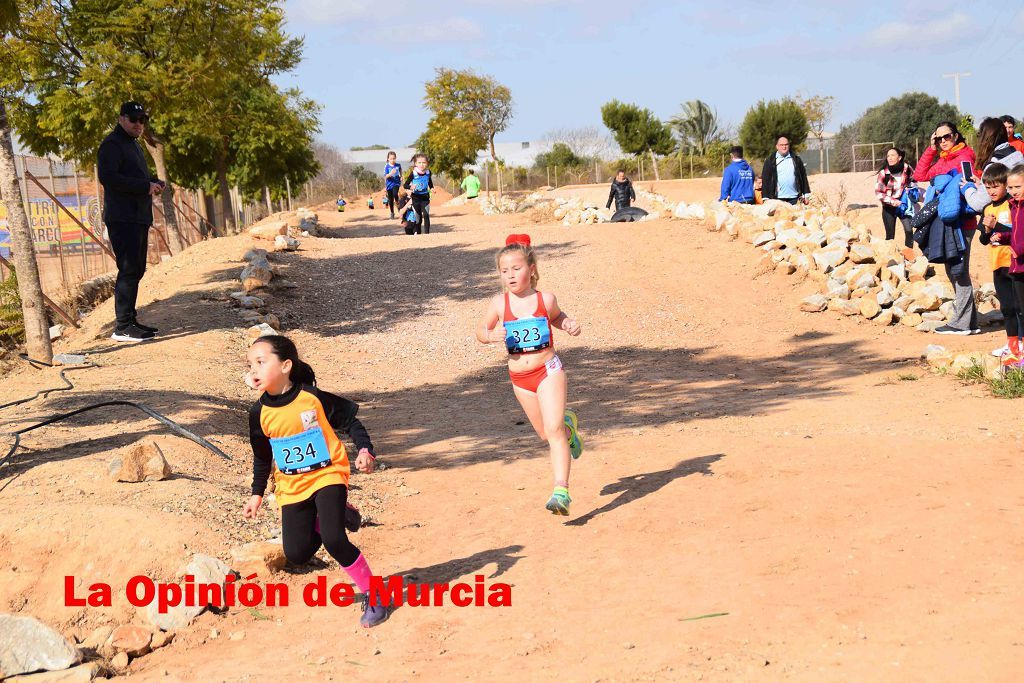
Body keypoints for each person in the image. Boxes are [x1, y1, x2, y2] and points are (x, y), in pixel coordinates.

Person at [243, 335, 389, 628]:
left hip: (327, 473)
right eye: (250, 365)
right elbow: (262, 458)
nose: (253, 370)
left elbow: (350, 422)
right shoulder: (259, 413)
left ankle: (375, 595)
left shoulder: (311, 397)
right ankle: (334, 517)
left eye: (261, 362)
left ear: (286, 365)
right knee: (297, 553)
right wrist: (256, 494)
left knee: (336, 541)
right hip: (292, 485)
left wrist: (364, 449)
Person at [475, 234, 583, 516]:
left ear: (531, 269)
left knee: (553, 430)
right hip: (520, 380)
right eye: (504, 271)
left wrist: (567, 324)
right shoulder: (499, 304)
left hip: (548, 371)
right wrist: (489, 336)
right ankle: (569, 429)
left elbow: (557, 317)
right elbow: (480, 331)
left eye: (517, 268)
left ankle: (561, 491)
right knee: (546, 434)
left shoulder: (545, 299)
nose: (510, 275)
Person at [97, 102, 165, 343]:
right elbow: (109, 177)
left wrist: (153, 182)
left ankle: (130, 320)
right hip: (123, 217)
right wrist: (143, 186)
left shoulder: (132, 145)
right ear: (121, 119)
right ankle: (122, 327)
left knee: (137, 269)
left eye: (142, 120)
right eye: (134, 119)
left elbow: (135, 177)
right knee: (128, 269)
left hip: (137, 216)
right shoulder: (112, 144)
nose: (139, 124)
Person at [914, 120, 979, 335]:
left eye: (947, 137)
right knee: (954, 269)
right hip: (947, 224)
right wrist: (931, 149)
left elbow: (967, 185)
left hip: (962, 224)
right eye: (938, 138)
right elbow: (920, 175)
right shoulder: (942, 159)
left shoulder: (964, 157)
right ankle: (970, 322)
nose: (943, 141)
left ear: (956, 136)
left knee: (958, 271)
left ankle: (961, 324)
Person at [972, 164, 1021, 362]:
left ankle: (1021, 347)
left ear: (1005, 185)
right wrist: (986, 230)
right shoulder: (987, 208)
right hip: (997, 264)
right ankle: (1011, 345)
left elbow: (1015, 232)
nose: (992, 191)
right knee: (1007, 308)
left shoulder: (1013, 204)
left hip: (1014, 263)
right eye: (988, 187)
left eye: (996, 186)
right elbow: (984, 240)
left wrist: (996, 226)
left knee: (1019, 307)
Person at [963, 117, 1024, 215]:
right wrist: (983, 184)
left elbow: (978, 204)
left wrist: (967, 187)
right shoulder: (1017, 155)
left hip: (1002, 219)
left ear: (985, 138)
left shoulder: (994, 164)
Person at [874, 147, 916, 248]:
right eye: (888, 156)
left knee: (909, 231)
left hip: (903, 206)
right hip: (889, 207)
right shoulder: (883, 173)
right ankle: (890, 260)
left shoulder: (907, 168)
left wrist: (911, 190)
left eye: (893, 155)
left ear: (900, 157)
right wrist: (893, 201)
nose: (890, 158)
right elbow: (879, 193)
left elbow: (913, 180)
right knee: (890, 237)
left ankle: (909, 256)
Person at [759, 135, 810, 204]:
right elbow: (766, 179)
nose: (784, 147)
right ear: (777, 146)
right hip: (777, 199)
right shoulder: (770, 161)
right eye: (781, 145)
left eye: (786, 144)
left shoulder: (796, 159)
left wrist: (806, 194)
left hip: (795, 198)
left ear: (789, 146)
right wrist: (765, 198)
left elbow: (803, 177)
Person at [403, 154, 433, 235]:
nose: (422, 164)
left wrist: (432, 188)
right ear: (415, 164)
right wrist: (411, 186)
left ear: (427, 163)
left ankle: (427, 233)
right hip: (415, 198)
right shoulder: (413, 173)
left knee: (426, 215)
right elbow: (405, 185)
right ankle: (418, 233)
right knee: (418, 217)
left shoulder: (428, 172)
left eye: (424, 162)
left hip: (425, 197)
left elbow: (429, 181)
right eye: (419, 163)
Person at [384, 151, 402, 220]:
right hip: (389, 184)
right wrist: (390, 173)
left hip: (396, 183)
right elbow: (385, 176)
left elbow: (400, 170)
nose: (392, 160)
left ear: (395, 158)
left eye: (394, 158)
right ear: (388, 159)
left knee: (395, 194)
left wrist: (401, 176)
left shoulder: (398, 165)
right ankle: (392, 213)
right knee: (390, 200)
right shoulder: (387, 166)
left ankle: (399, 209)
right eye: (391, 159)